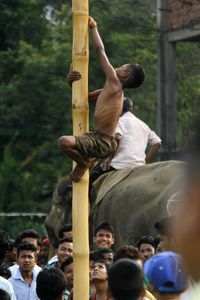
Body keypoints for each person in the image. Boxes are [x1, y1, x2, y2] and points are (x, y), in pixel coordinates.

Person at [58, 16, 145, 182]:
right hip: (101, 139)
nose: (116, 68)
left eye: (120, 67)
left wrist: (94, 28)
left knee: (63, 142)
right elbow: (84, 98)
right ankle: (85, 163)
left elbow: (100, 51)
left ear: (124, 74)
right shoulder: (110, 91)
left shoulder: (114, 83)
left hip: (102, 141)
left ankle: (84, 164)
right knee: (67, 142)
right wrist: (70, 82)